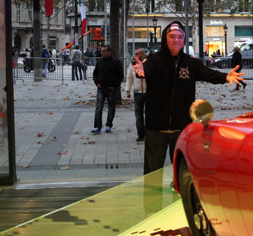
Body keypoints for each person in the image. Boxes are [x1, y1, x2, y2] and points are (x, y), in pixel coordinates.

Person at [142, 21, 245, 174]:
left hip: (181, 128)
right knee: (152, 173)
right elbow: (146, 70)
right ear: (165, 38)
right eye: (172, 36)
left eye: (180, 37)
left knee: (182, 173)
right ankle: (150, 198)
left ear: (184, 40)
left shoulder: (191, 63)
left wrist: (226, 77)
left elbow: (208, 74)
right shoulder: (153, 60)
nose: (176, 40)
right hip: (155, 129)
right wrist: (141, 70)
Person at [91, 45, 124, 134]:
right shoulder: (100, 61)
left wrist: (115, 85)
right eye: (102, 51)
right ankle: (98, 126)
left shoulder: (116, 62)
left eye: (104, 51)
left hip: (111, 88)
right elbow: (95, 73)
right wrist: (96, 82)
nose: (102, 53)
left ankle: (109, 124)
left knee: (111, 107)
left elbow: (120, 75)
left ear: (109, 52)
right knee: (99, 107)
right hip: (101, 87)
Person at [125, 48, 148, 142]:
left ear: (143, 54)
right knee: (138, 115)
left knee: (149, 114)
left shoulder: (148, 63)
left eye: (137, 54)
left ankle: (149, 133)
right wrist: (128, 90)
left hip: (148, 92)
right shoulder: (133, 64)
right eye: (135, 53)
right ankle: (140, 134)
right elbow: (129, 77)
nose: (136, 55)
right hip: (137, 92)